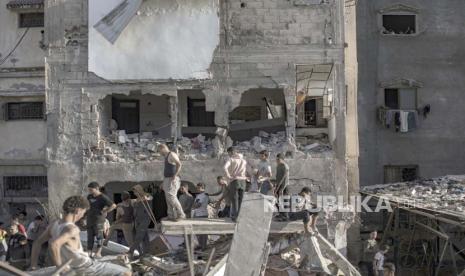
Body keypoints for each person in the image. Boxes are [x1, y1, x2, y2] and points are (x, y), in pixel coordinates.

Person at [29, 196, 131, 275]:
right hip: (86, 267)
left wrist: (33, 266)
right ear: (78, 211)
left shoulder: (53, 225)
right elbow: (54, 245)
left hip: (74, 265)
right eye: (83, 212)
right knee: (127, 272)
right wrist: (60, 267)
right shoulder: (72, 229)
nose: (82, 216)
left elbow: (37, 242)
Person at [86, 182, 116, 258]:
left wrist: (105, 211)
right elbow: (87, 206)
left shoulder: (102, 197)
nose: (89, 191)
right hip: (90, 219)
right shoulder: (89, 196)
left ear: (97, 189)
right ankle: (89, 252)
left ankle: (98, 252)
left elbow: (113, 205)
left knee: (99, 236)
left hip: (98, 220)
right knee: (89, 237)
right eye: (89, 190)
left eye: (91, 189)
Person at [158, 144, 185, 221]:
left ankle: (181, 214)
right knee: (167, 198)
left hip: (172, 179)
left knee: (171, 196)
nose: (159, 153)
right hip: (167, 179)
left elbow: (179, 164)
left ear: (163, 148)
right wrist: (163, 182)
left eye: (159, 150)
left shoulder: (172, 154)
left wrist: (175, 175)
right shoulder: (166, 156)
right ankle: (171, 215)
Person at [128, 185, 153, 260]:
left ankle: (131, 251)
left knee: (139, 236)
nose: (134, 193)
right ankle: (146, 253)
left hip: (145, 219)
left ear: (139, 190)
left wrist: (146, 198)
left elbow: (150, 197)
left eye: (135, 191)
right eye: (134, 192)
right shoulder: (136, 200)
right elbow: (134, 205)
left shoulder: (146, 195)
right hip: (137, 220)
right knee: (144, 237)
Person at [224, 147, 247, 221]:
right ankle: (241, 216)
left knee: (234, 200)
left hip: (235, 180)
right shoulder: (243, 160)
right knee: (241, 199)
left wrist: (228, 175)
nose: (229, 154)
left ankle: (236, 216)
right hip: (243, 181)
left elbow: (225, 167)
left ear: (231, 152)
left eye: (229, 153)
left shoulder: (231, 159)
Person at [192, 183, 210, 250]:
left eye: (198, 188)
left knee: (203, 232)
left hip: (201, 215)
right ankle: (201, 245)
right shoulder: (202, 195)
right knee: (198, 231)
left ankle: (203, 246)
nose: (197, 189)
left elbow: (198, 205)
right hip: (199, 214)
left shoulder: (202, 195)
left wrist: (193, 206)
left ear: (202, 188)